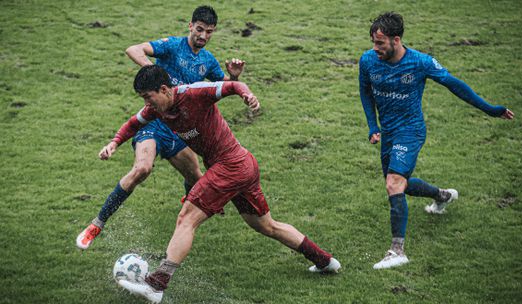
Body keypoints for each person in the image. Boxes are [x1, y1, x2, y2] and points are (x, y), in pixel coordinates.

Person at [104, 65, 341, 303]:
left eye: (148, 96)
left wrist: (246, 94)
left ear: (164, 89)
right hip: (242, 166)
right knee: (266, 226)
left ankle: (157, 284)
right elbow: (134, 123)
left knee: (186, 218)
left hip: (231, 166)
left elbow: (232, 86)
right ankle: (325, 261)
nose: (147, 103)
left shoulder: (194, 93)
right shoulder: (157, 110)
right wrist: (114, 143)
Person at [76, 6, 246, 250]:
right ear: (190, 26)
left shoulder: (207, 61)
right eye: (199, 29)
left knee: (196, 180)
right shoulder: (172, 46)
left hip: (178, 128)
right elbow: (133, 49)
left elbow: (223, 88)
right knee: (142, 169)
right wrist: (154, 73)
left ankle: (188, 209)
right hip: (154, 123)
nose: (203, 36)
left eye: (209, 32)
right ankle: (97, 223)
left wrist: (234, 76)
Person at [358, 12, 514, 270]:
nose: (375, 49)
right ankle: (442, 196)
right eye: (374, 42)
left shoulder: (420, 62)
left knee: (393, 183)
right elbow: (365, 91)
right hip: (388, 132)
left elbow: (454, 84)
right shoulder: (368, 61)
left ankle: (397, 251)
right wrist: (373, 125)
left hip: (411, 130)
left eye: (380, 43)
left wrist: (490, 109)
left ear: (396, 40)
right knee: (401, 185)